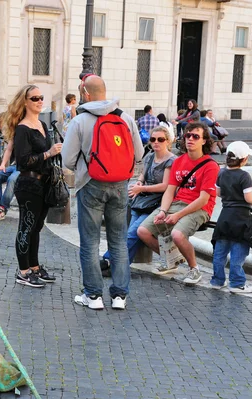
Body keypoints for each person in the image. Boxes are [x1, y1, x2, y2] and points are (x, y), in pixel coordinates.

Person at [63, 74, 144, 310]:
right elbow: (138, 155)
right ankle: (120, 296)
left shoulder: (80, 121)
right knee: (118, 241)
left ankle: (94, 296)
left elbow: (67, 160)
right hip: (120, 186)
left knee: (90, 242)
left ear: (86, 94)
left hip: (90, 184)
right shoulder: (126, 118)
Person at [137, 122, 220, 284]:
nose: (190, 139)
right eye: (187, 135)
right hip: (177, 203)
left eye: (196, 136)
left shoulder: (211, 166)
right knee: (143, 231)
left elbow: (203, 199)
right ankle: (171, 260)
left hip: (200, 208)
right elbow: (170, 190)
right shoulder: (178, 161)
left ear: (204, 141)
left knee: (177, 234)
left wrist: (177, 215)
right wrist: (163, 210)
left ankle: (194, 269)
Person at [1, 85, 60, 288]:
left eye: (41, 97)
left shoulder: (42, 124)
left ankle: (34, 267)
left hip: (44, 182)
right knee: (26, 228)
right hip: (28, 184)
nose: (39, 101)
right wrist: (48, 153)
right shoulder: (23, 129)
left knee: (36, 228)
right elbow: (23, 161)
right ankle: (23, 271)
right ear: (25, 102)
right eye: (35, 98)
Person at [99, 126, 175, 276]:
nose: (156, 142)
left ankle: (109, 260)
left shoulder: (171, 160)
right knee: (131, 234)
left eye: (160, 139)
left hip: (159, 203)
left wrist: (142, 189)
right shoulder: (149, 156)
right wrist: (139, 183)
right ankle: (120, 266)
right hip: (142, 201)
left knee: (132, 233)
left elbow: (165, 186)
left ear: (168, 141)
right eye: (152, 139)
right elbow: (142, 176)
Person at [210, 142, 252, 294]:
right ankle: (237, 283)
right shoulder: (244, 176)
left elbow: (218, 193)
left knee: (220, 251)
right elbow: (248, 198)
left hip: (224, 217)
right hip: (241, 218)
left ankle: (217, 280)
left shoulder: (221, 173)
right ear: (243, 160)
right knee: (238, 251)